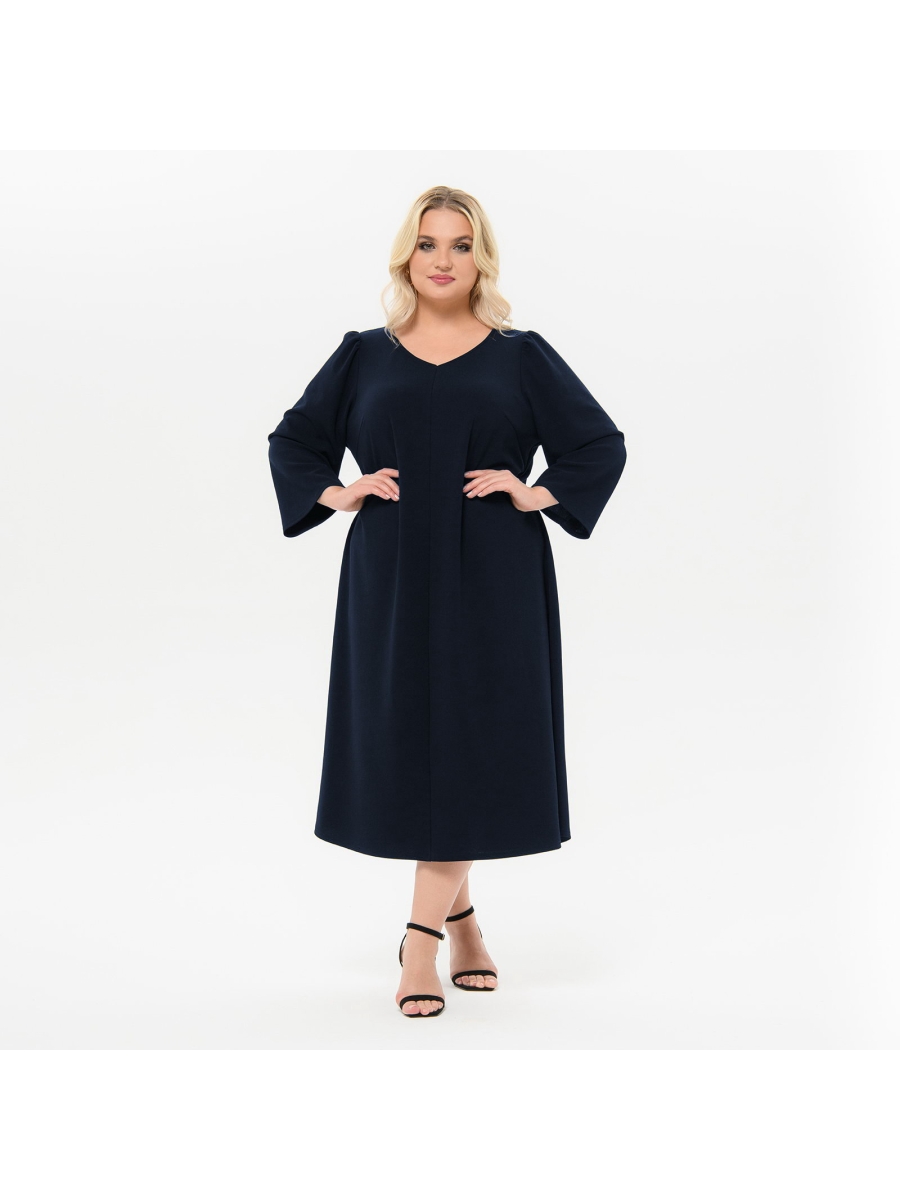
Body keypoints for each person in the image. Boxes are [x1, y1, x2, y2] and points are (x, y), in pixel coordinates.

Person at [267, 185, 627, 1017]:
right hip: (390, 572)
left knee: (473, 742)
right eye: (428, 243)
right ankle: (462, 925)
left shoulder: (520, 355)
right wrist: (339, 492)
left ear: (481, 258)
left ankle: (420, 940)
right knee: (412, 747)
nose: (442, 259)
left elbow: (597, 443)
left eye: (460, 245)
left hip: (496, 574)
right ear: (407, 255)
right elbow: (294, 440)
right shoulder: (363, 354)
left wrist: (534, 492)